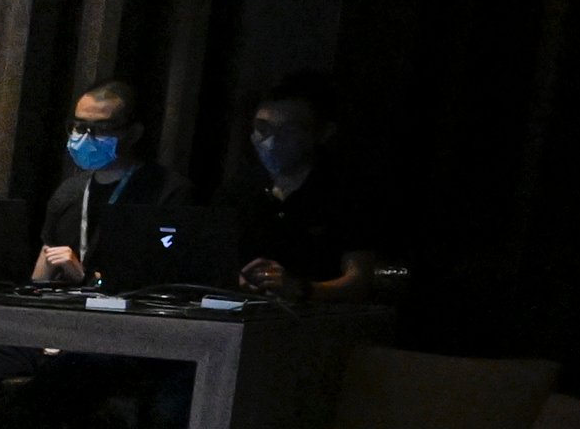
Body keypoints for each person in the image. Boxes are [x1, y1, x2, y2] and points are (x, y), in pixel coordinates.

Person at [25, 75, 195, 285]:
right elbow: (45, 260)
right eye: (79, 127)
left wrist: (85, 278)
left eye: (101, 129)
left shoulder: (167, 191)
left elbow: (166, 274)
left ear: (133, 134)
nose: (86, 138)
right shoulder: (69, 191)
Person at [230, 70, 382, 300]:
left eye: (289, 130)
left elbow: (360, 279)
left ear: (322, 133)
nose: (271, 141)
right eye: (263, 128)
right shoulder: (238, 191)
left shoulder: (346, 193)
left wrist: (302, 289)